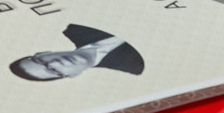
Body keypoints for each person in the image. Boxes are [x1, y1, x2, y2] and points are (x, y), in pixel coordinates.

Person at [10, 25, 144, 81]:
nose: (56, 62)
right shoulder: (136, 66)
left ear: (43, 53)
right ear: (73, 75)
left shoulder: (76, 27)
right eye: (53, 70)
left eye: (41, 61)